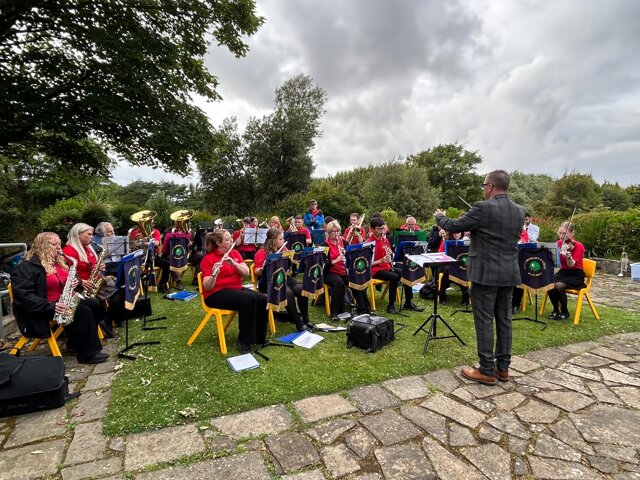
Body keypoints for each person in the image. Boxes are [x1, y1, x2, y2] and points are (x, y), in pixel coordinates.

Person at [434, 170, 525, 386]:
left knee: (484, 319)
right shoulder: (519, 211)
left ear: (491, 187)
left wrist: (439, 216)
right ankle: (503, 369)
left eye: (484, 186)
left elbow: (453, 226)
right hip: (509, 272)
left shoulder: (483, 208)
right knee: (504, 319)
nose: (483, 190)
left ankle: (486, 370)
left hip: (486, 273)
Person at [10, 232, 107, 363]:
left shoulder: (59, 262)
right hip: (43, 307)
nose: (58, 248)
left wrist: (76, 282)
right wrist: (52, 306)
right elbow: (23, 296)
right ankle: (87, 354)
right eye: (54, 244)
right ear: (42, 245)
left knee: (94, 304)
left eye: (59, 244)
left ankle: (75, 343)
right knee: (83, 312)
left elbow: (72, 278)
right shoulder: (26, 268)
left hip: (62, 302)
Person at [200, 230, 268, 353]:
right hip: (215, 293)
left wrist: (234, 263)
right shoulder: (208, 259)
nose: (232, 241)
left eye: (231, 238)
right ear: (218, 243)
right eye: (227, 239)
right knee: (248, 299)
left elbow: (246, 272)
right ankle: (244, 340)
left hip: (234, 289)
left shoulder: (235, 253)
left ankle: (259, 337)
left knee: (262, 299)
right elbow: (207, 286)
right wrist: (214, 275)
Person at [254, 228, 313, 331]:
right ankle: (298, 323)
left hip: (283, 277)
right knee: (287, 292)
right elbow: (256, 272)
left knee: (302, 289)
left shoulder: (284, 249)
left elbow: (289, 267)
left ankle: (306, 319)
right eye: (280, 239)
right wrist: (264, 267)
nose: (283, 241)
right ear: (273, 240)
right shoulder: (261, 252)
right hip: (268, 281)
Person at [369, 217, 424, 314]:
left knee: (406, 272)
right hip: (375, 270)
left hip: (387, 267)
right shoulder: (369, 243)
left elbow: (391, 256)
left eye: (383, 228)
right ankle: (391, 305)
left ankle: (408, 302)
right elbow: (368, 263)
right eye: (379, 229)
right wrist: (381, 260)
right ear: (372, 229)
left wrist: (391, 255)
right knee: (394, 277)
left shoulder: (385, 240)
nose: (382, 231)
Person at [323, 220, 371, 318]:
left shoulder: (343, 242)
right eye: (333, 231)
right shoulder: (324, 245)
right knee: (338, 283)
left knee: (356, 279)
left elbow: (351, 256)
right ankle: (335, 312)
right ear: (328, 232)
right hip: (329, 272)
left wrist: (348, 256)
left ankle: (364, 308)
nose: (336, 234)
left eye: (337, 231)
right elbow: (323, 264)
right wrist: (335, 260)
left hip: (343, 270)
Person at [547, 222, 585, 321]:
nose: (561, 236)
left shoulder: (578, 246)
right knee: (548, 283)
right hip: (563, 272)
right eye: (560, 233)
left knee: (558, 286)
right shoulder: (558, 243)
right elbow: (554, 260)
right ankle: (555, 310)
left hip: (576, 274)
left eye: (565, 233)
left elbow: (571, 264)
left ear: (572, 234)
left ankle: (565, 311)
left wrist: (568, 255)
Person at [129, 219, 171, 293]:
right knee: (132, 265)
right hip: (139, 256)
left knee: (167, 264)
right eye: (150, 223)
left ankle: (163, 283)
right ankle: (140, 282)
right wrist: (138, 241)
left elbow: (157, 243)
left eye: (152, 223)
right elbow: (131, 244)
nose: (152, 224)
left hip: (152, 256)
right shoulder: (135, 232)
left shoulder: (155, 231)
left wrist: (142, 242)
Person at [437, 230, 470, 306]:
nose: (457, 235)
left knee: (463, 270)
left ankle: (465, 295)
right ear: (451, 233)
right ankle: (442, 294)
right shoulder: (446, 242)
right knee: (447, 271)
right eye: (454, 233)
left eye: (458, 232)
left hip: (461, 265)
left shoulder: (465, 241)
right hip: (447, 264)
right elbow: (440, 253)